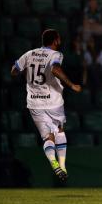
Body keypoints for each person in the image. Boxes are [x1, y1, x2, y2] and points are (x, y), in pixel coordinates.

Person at [11, 29, 82, 182]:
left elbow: (14, 71)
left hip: (34, 103)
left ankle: (53, 163)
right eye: (59, 39)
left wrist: (27, 74)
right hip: (53, 101)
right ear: (55, 41)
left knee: (48, 138)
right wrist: (71, 85)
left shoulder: (29, 54)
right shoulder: (56, 55)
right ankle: (62, 166)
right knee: (59, 131)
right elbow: (55, 69)